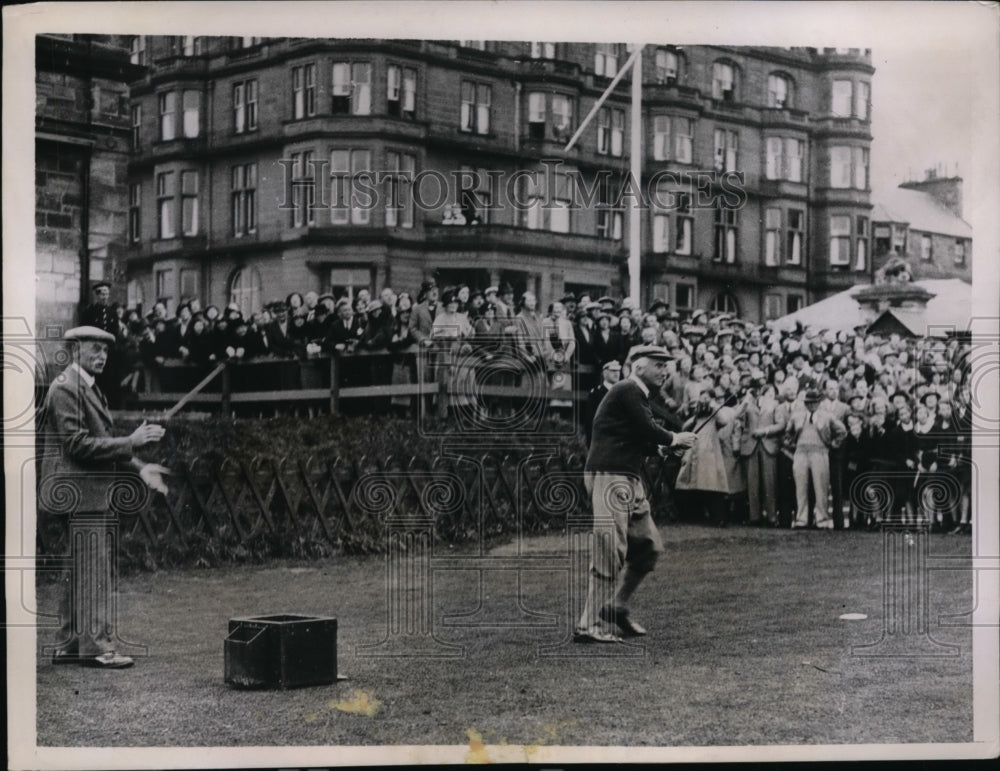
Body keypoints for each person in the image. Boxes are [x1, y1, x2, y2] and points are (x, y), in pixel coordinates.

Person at [40, 327, 169, 668]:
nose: (102, 356)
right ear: (74, 350)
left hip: (82, 493)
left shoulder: (82, 386)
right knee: (93, 570)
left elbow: (98, 440)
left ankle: (68, 645)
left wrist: (140, 467)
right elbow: (78, 444)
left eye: (106, 351)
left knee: (78, 569)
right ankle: (97, 646)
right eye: (95, 349)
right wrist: (132, 441)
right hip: (81, 494)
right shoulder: (68, 387)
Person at [575, 346, 697, 643]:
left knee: (648, 546)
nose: (665, 370)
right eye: (658, 365)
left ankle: (616, 606)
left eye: (667, 366)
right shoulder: (628, 389)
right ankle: (587, 625)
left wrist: (661, 446)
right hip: (611, 476)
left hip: (627, 477)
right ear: (638, 367)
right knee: (610, 550)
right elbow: (646, 427)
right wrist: (673, 438)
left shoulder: (635, 395)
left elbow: (634, 434)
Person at [785, 388, 847, 529]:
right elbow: (787, 433)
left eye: (814, 402)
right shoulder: (797, 416)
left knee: (821, 488)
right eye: (809, 402)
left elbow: (842, 431)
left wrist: (834, 443)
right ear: (805, 403)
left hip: (820, 452)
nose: (811, 405)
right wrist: (791, 444)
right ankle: (802, 519)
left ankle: (822, 520)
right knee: (800, 488)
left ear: (819, 403)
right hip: (800, 453)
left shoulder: (827, 416)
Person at [737, 375, 786, 526]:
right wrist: (746, 400)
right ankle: (754, 516)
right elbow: (737, 417)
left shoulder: (774, 404)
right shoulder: (747, 403)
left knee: (769, 481)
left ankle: (771, 516)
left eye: (760, 388)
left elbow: (781, 424)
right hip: (750, 445)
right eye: (755, 388)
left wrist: (765, 431)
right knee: (752, 482)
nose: (758, 391)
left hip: (768, 444)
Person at [584, 359, 621, 446]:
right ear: (605, 373)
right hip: (602, 439)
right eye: (613, 371)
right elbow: (590, 419)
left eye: (618, 371)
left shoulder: (623, 392)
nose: (616, 373)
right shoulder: (596, 393)